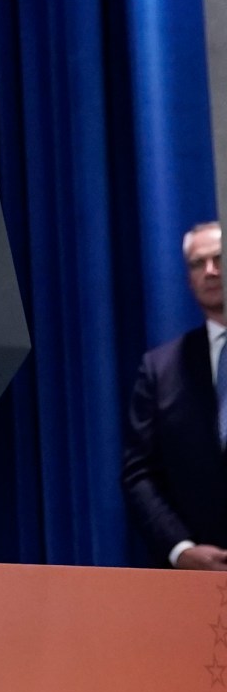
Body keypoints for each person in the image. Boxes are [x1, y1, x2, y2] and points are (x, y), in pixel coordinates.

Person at [123, 222, 227, 569]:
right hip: (196, 579)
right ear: (188, 279)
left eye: (219, 258)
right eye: (198, 264)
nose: (210, 271)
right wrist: (180, 549)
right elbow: (140, 474)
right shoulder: (160, 368)